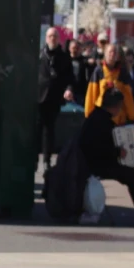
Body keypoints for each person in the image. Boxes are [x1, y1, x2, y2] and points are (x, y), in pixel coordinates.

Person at [80, 89, 134, 228]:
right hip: (97, 164)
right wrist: (117, 152)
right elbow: (99, 148)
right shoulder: (102, 121)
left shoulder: (96, 116)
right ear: (117, 106)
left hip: (93, 162)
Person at [37, 27, 73, 171]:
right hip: (38, 98)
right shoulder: (39, 54)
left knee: (49, 130)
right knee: (36, 129)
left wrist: (68, 89)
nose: (53, 38)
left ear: (59, 39)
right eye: (50, 36)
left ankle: (47, 160)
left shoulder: (64, 57)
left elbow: (70, 78)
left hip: (54, 98)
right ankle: (33, 159)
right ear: (46, 38)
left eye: (55, 36)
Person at [67, 39, 90, 106]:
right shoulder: (65, 60)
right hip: (67, 93)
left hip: (80, 94)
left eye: (77, 48)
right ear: (69, 48)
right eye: (73, 48)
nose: (75, 50)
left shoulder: (84, 61)